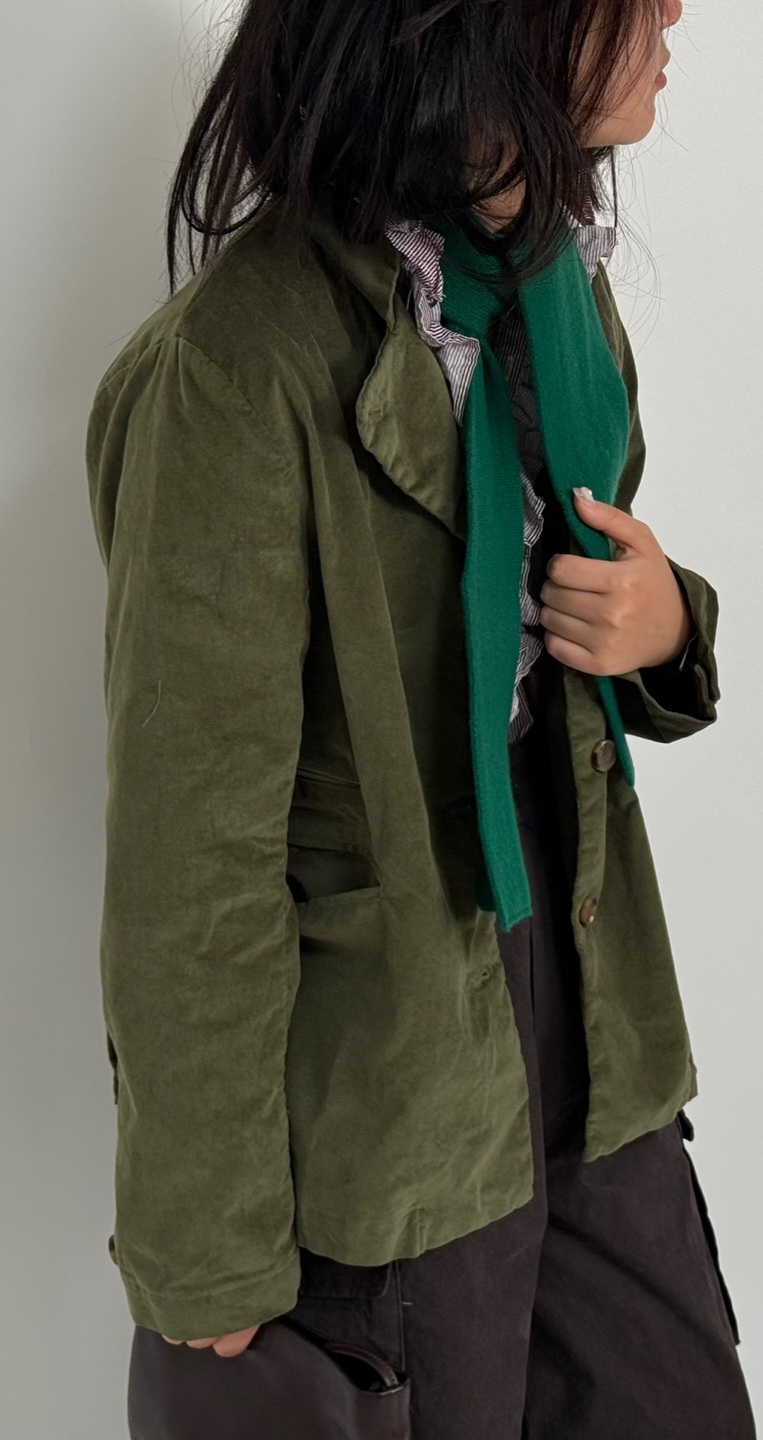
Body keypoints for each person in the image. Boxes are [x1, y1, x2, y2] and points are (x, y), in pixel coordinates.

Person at [85, 0, 757, 1435]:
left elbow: (565, 596)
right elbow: (189, 858)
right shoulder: (239, 368)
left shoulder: (549, 292)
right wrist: (205, 1242)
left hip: (592, 991)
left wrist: (668, 622)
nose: (674, 12)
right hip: (389, 1067)